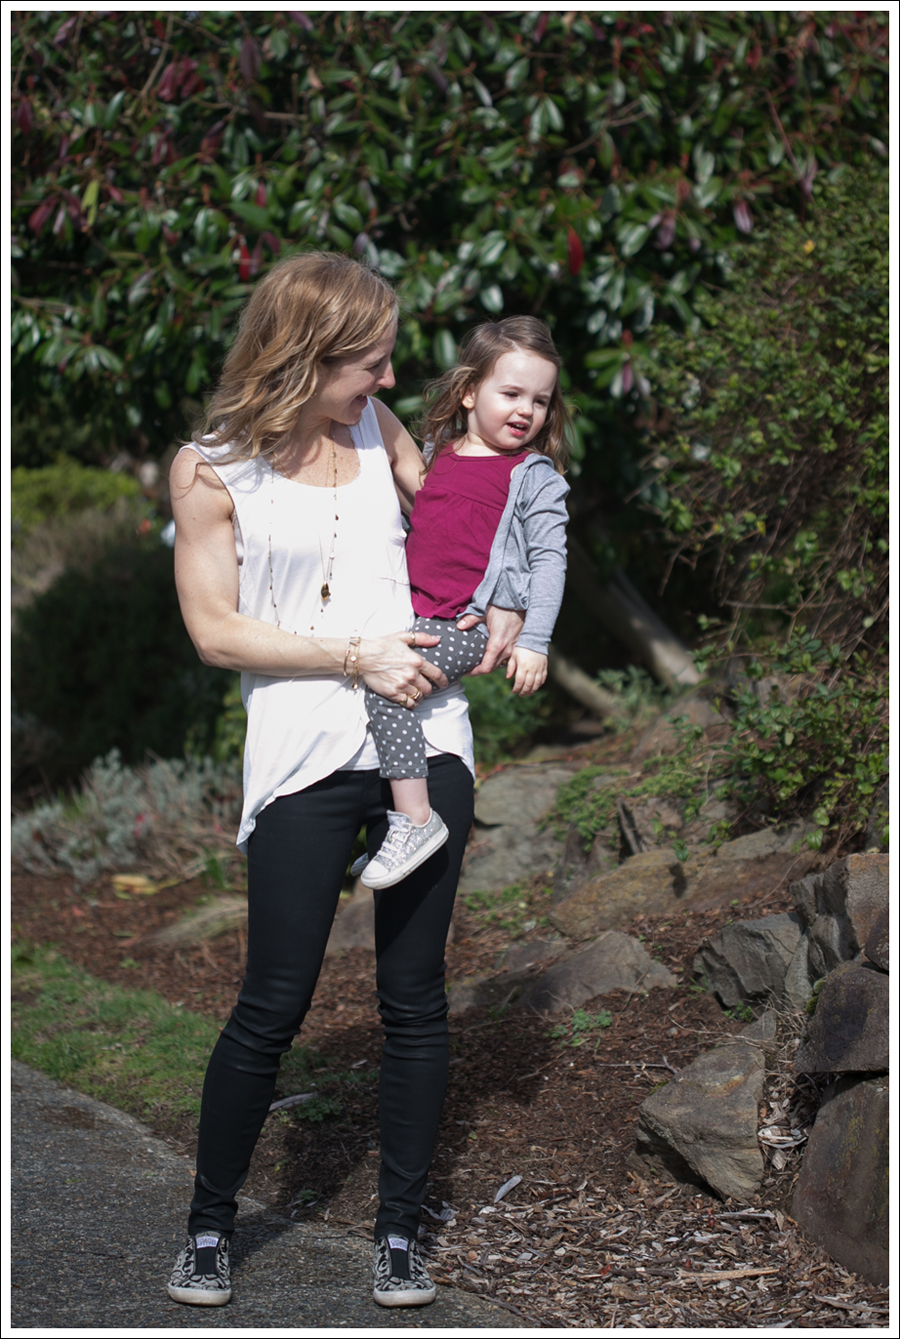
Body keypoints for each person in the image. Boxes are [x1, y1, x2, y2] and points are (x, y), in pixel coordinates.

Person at [164, 251, 524, 1310]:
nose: (387, 377)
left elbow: (466, 515)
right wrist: (354, 654)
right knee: (273, 1002)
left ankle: (400, 1234)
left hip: (427, 737)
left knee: (415, 999)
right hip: (303, 754)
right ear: (304, 355)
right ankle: (210, 1226)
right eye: (369, 360)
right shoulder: (210, 471)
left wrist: (509, 594)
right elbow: (214, 632)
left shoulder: (379, 427)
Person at [357, 317, 570, 890]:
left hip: (464, 623)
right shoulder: (440, 453)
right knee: (366, 697)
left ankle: (415, 822)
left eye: (540, 401)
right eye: (512, 393)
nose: (526, 410)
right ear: (470, 391)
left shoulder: (532, 477)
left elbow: (550, 561)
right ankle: (387, 830)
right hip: (417, 613)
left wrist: (534, 640)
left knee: (391, 690)